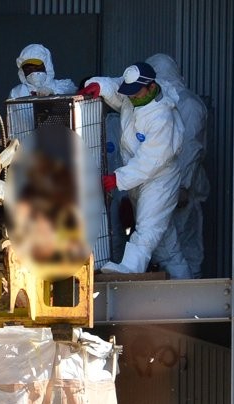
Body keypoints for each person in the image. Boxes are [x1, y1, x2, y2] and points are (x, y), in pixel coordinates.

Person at [79, 62, 191, 278]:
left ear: (150, 86)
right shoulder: (135, 94)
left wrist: (118, 178)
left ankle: (131, 268)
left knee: (147, 228)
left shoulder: (162, 117)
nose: (131, 97)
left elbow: (151, 160)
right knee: (168, 247)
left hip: (160, 179)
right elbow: (117, 88)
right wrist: (99, 86)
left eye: (135, 93)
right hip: (139, 180)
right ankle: (186, 288)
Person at [147, 53, 209, 278]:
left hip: (183, 190)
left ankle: (190, 297)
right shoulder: (166, 102)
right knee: (168, 248)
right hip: (165, 188)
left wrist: (182, 185)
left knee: (185, 246)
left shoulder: (188, 105)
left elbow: (190, 148)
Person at [9, 44, 77, 99]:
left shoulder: (60, 86)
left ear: (47, 67)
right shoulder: (16, 93)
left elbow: (71, 88)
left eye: (37, 67)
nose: (33, 73)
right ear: (22, 72)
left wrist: (53, 92)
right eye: (28, 69)